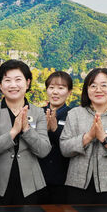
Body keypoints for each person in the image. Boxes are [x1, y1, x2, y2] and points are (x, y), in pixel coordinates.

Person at [60, 68, 107, 204]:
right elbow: (64, 148)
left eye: (104, 85)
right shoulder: (74, 114)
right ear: (87, 89)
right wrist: (88, 137)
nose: (98, 90)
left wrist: (104, 138)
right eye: (93, 86)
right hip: (77, 186)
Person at [0, 60, 51, 205]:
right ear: (0, 85)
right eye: (7, 80)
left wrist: (26, 129)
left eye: (18, 79)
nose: (13, 85)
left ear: (27, 83)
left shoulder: (38, 112)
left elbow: (44, 150)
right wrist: (13, 132)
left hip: (31, 185)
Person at [38, 71, 73, 204]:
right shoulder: (37, 113)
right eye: (51, 87)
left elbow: (72, 146)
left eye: (61, 88)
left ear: (69, 92)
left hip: (63, 181)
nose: (55, 92)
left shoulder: (73, 115)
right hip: (37, 179)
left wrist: (55, 130)